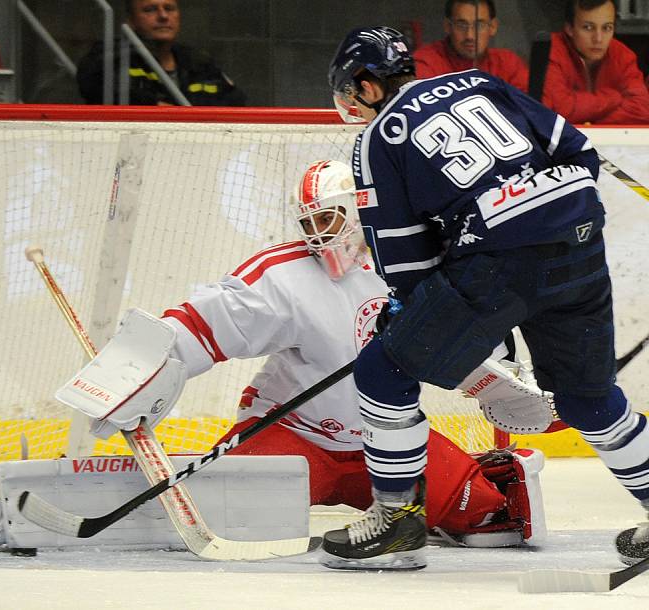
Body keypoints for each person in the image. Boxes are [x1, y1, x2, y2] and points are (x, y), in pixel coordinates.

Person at [60, 159, 549, 548]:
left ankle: (487, 471)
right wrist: (137, 370)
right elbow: (204, 323)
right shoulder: (287, 276)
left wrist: (499, 379)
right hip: (292, 436)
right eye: (308, 220)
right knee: (225, 506)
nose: (317, 233)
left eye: (327, 218)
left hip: (386, 444)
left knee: (487, 518)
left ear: (358, 212)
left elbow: (471, 334)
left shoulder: (413, 263)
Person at [326, 26, 649, 570]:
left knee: (384, 370)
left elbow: (404, 256)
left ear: (368, 85)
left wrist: (410, 313)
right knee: (585, 399)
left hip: (501, 260)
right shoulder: (479, 81)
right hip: (579, 241)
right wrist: (548, 213)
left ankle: (397, 519)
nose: (352, 105)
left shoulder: (380, 138)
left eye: (351, 92)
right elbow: (578, 149)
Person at [76, 0, 246, 106]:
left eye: (169, 8)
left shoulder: (199, 63)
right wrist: (153, 105)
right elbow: (93, 82)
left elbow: (236, 101)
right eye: (150, 9)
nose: (163, 16)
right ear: (131, 20)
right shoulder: (114, 57)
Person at [541, 0, 649, 124]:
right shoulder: (550, 51)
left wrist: (589, 122)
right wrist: (613, 97)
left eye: (607, 28)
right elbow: (557, 110)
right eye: (588, 27)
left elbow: (642, 110)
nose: (598, 38)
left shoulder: (622, 55)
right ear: (569, 28)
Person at [414, 0, 528, 92]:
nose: (470, 36)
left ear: (493, 27)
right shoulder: (426, 61)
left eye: (479, 25)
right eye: (461, 25)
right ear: (448, 26)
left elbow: (530, 111)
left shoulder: (507, 62)